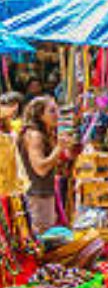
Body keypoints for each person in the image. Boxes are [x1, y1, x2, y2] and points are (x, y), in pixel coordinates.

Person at [19, 96, 68, 231]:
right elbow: (40, 169)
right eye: (52, 111)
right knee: (42, 239)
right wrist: (59, 148)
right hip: (36, 196)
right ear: (40, 115)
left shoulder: (44, 134)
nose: (57, 115)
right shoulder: (35, 136)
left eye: (57, 110)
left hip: (42, 193)